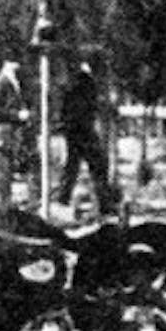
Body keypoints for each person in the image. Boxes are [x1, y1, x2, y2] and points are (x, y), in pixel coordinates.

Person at [54, 53, 116, 215]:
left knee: (72, 167)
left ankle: (63, 199)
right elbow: (85, 106)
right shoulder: (86, 82)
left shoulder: (77, 80)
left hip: (75, 129)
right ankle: (104, 203)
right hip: (82, 129)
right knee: (98, 165)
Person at [0, 58, 31, 219]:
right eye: (14, 62)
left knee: (7, 168)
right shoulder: (1, 83)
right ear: (7, 64)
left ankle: (5, 205)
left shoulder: (14, 81)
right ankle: (2, 207)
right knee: (3, 168)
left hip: (11, 131)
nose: (18, 66)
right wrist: (17, 115)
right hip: (2, 130)